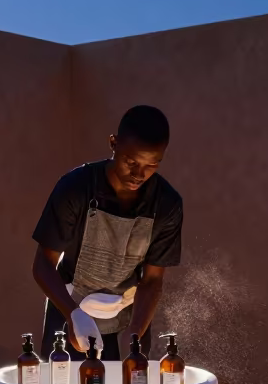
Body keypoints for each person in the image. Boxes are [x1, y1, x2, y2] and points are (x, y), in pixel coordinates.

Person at [31, 105, 183, 361]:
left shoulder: (167, 204)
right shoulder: (75, 188)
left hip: (129, 318)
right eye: (131, 162)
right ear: (113, 143)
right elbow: (42, 265)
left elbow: (153, 280)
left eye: (151, 165)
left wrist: (134, 334)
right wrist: (74, 315)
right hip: (70, 308)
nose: (139, 174)